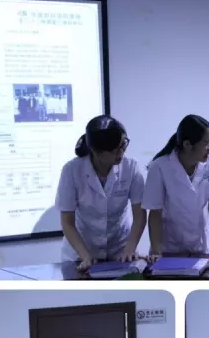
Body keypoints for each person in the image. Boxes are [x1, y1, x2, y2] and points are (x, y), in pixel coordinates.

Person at [55, 116, 146, 271]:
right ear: (96, 151)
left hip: (119, 251)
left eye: (123, 145)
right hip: (81, 252)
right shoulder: (72, 170)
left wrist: (130, 248)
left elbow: (140, 215)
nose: (121, 153)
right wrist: (85, 256)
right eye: (114, 150)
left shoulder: (131, 167)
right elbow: (67, 223)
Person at [142, 115, 209, 257]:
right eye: (206, 144)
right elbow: (155, 213)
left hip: (203, 245)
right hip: (170, 247)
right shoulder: (160, 167)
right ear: (188, 145)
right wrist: (156, 253)